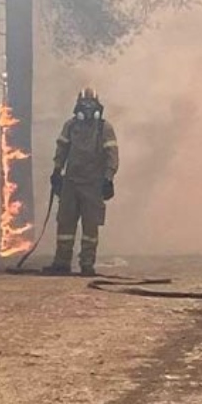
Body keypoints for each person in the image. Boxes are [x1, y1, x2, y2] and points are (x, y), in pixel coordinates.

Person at [44, 88, 119, 277]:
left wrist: (108, 179)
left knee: (90, 227)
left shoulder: (104, 128)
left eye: (90, 105)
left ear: (97, 107)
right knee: (65, 225)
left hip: (93, 185)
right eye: (83, 104)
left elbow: (112, 155)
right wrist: (56, 171)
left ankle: (87, 264)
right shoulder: (70, 126)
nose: (87, 109)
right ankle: (61, 262)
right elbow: (62, 149)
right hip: (71, 183)